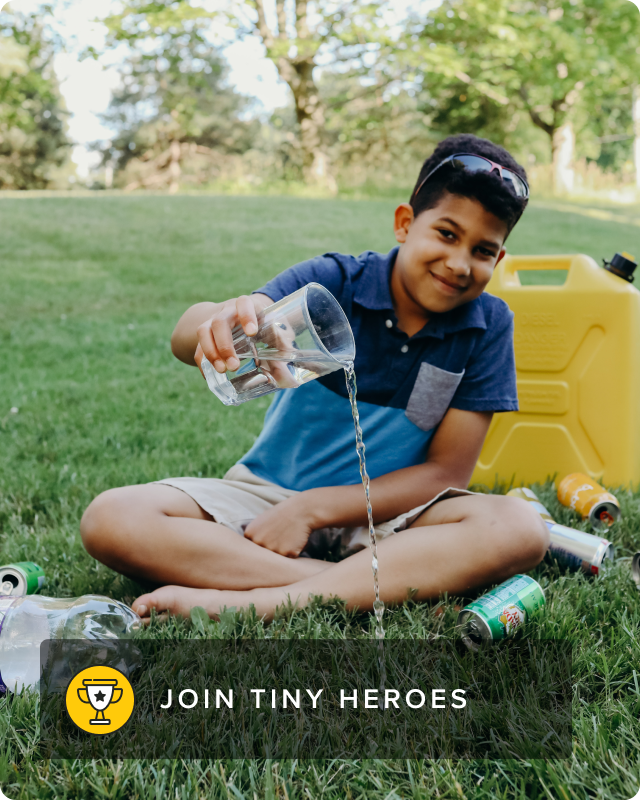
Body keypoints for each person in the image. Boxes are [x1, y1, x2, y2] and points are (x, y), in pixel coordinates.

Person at [80, 134, 549, 623]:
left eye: (482, 250)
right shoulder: (335, 281)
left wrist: (312, 510)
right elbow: (188, 336)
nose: (458, 262)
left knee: (519, 527)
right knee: (112, 518)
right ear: (405, 224)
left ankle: (254, 601)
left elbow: (445, 474)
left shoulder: (488, 324)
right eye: (447, 234)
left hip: (389, 520)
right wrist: (223, 318)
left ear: (497, 260)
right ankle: (361, 585)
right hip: (267, 497)